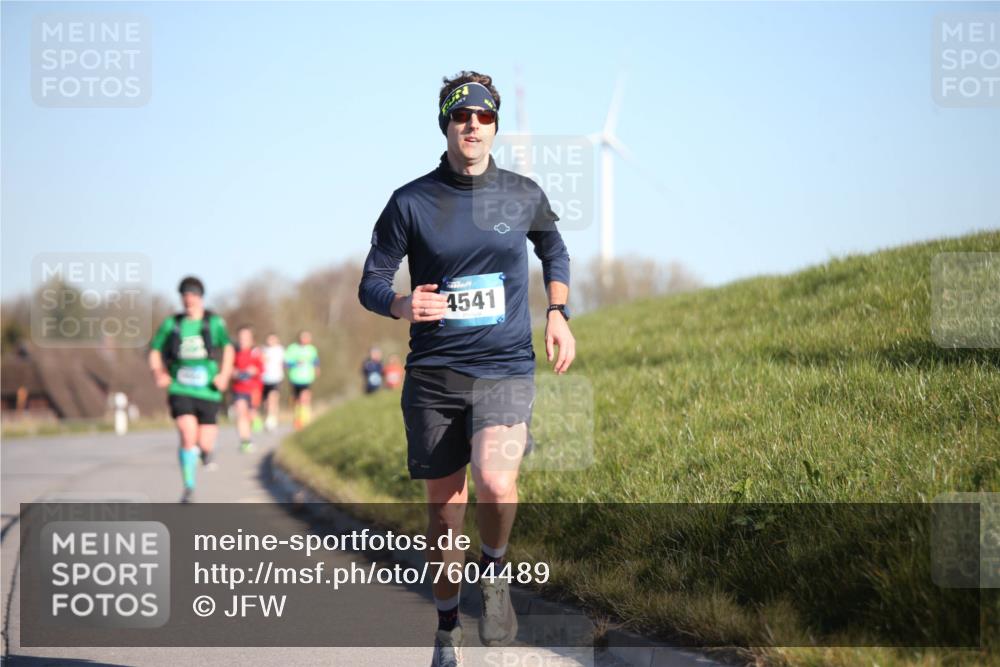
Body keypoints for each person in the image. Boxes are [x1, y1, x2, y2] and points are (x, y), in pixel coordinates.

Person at [358, 71, 575, 667]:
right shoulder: (411, 201)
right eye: (462, 117)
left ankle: (496, 572)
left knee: (496, 481)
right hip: (435, 373)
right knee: (444, 509)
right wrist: (402, 303)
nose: (472, 126)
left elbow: (553, 251)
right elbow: (371, 283)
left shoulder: (521, 192)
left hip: (504, 364)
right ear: (446, 125)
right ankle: (448, 624)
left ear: (495, 126)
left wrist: (557, 312)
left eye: (483, 117)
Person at [149, 276, 234, 503]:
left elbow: (228, 347)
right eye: (184, 296)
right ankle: (189, 486)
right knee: (187, 434)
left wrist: (225, 375)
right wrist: (159, 372)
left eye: (192, 295)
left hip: (208, 389)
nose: (188, 300)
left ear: (200, 297)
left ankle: (204, 453)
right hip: (180, 387)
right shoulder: (172, 324)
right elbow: (155, 349)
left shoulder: (213, 323)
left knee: (205, 443)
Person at [231, 325, 264, 453]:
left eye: (246, 337)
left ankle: (254, 422)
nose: (243, 339)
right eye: (241, 337)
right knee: (241, 413)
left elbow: (262, 368)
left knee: (250, 415)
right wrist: (233, 372)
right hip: (239, 388)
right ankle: (245, 441)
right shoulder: (234, 352)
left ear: (252, 339)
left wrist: (253, 370)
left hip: (254, 389)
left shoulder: (256, 352)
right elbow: (229, 368)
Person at [284, 330, 319, 430]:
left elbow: (315, 360)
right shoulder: (292, 348)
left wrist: (317, 368)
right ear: (299, 338)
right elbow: (286, 363)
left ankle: (306, 420)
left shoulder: (312, 349)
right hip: (295, 378)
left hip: (307, 378)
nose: (306, 339)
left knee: (306, 397)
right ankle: (297, 418)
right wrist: (295, 363)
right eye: (304, 337)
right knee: (297, 400)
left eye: (308, 337)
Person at [261, 333, 285, 431]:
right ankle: (269, 416)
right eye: (269, 339)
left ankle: (272, 419)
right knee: (266, 401)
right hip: (264, 378)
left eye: (273, 339)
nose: (271, 341)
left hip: (276, 378)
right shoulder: (263, 350)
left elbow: (284, 362)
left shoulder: (280, 350)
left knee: (273, 398)